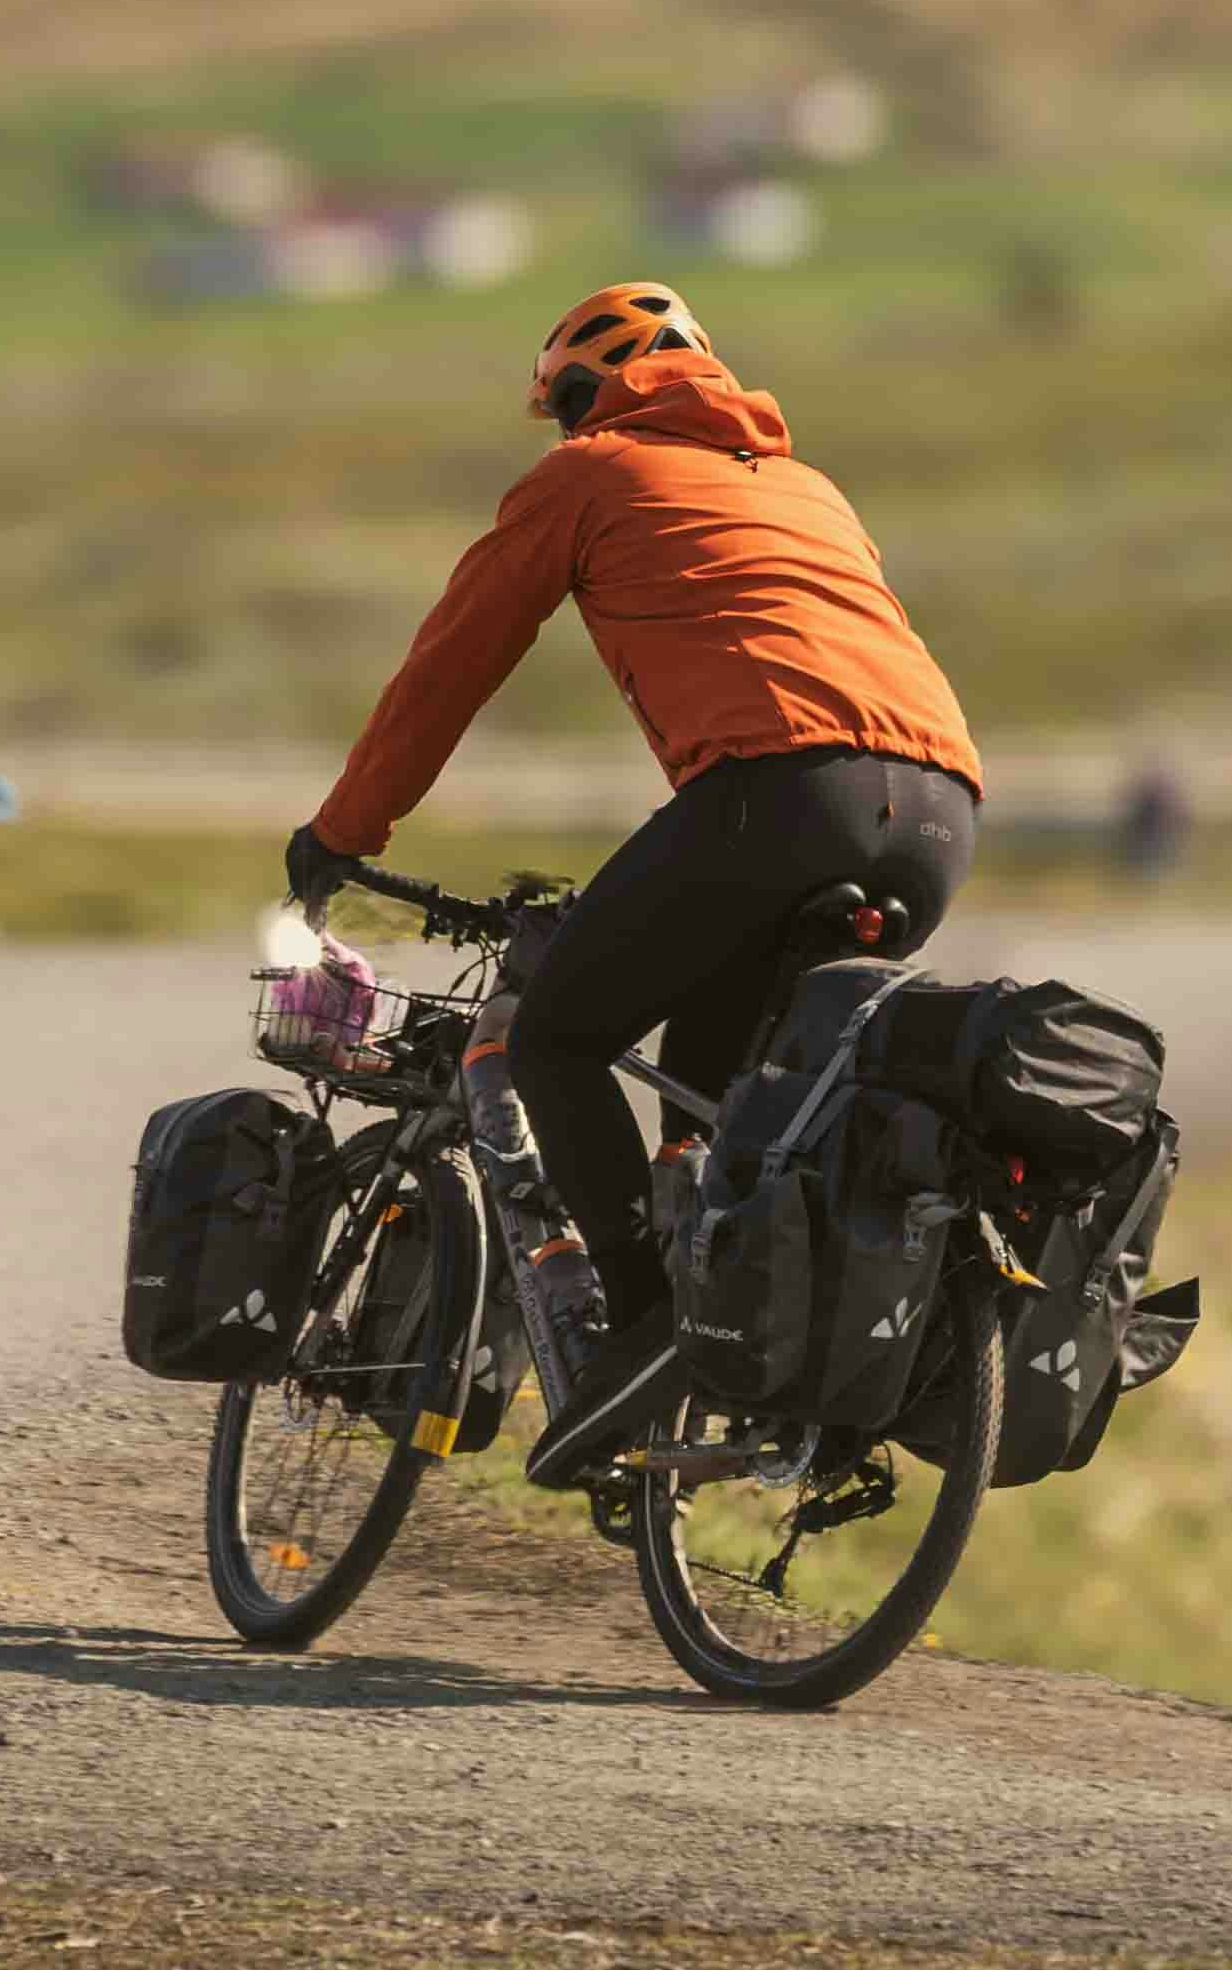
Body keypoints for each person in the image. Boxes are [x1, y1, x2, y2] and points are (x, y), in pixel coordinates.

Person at [285, 283, 983, 1475]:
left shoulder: (591, 473)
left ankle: (644, 1328)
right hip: (938, 812)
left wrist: (347, 829)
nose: (563, 433)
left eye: (563, 408)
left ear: (581, 393)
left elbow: (451, 662)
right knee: (727, 1099)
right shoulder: (807, 488)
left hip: (781, 793)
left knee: (556, 1038)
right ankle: (743, 1323)